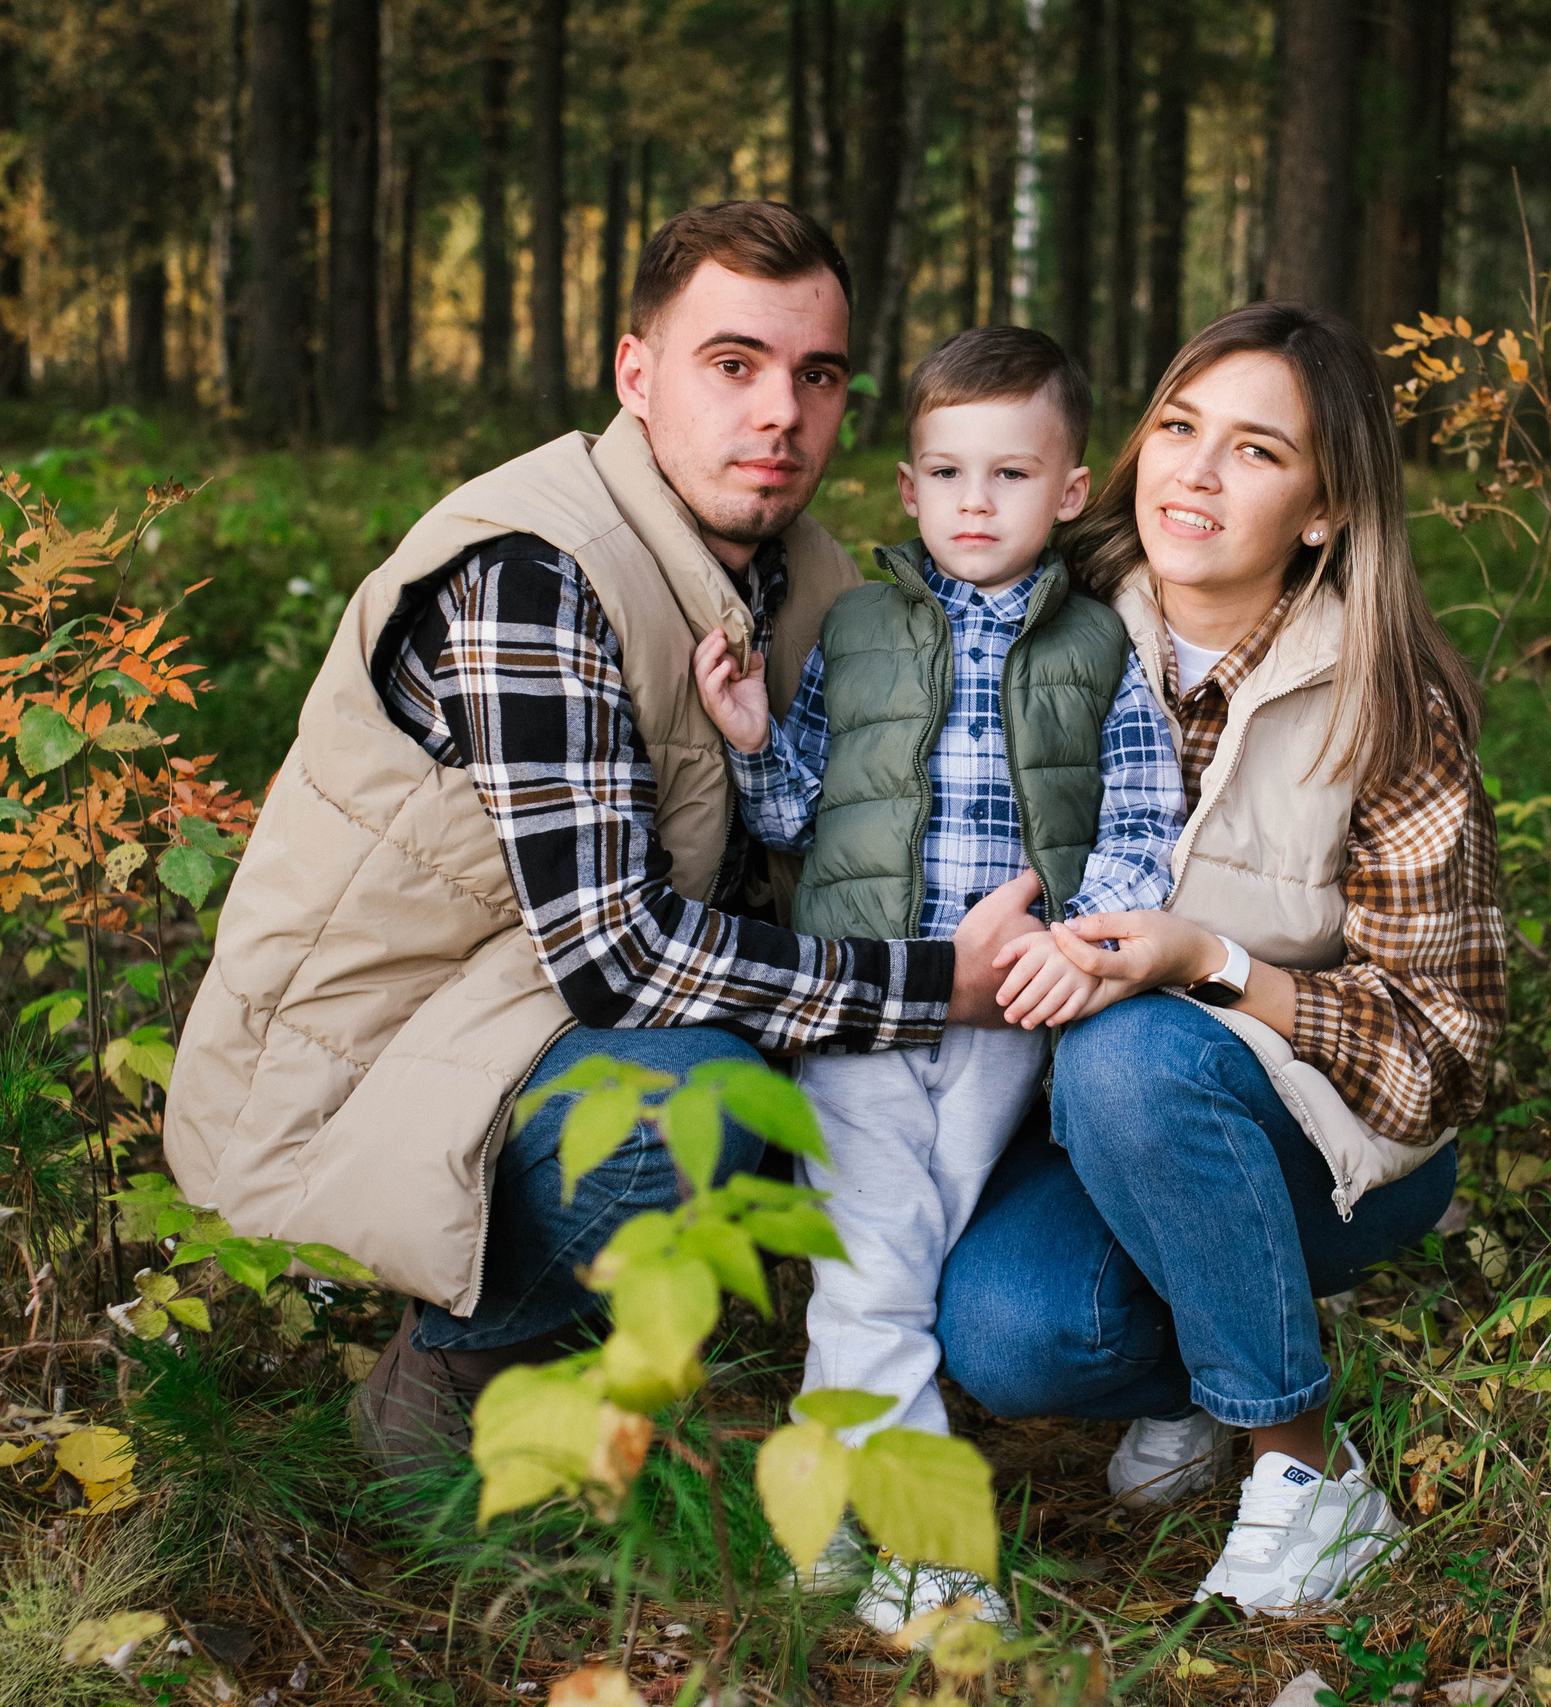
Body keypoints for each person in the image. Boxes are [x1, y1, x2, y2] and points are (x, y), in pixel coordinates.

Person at [161, 203, 1049, 1480]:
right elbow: (620, 965)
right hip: (361, 1079)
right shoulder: (535, 571)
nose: (780, 415)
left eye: (817, 376)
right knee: (682, 1102)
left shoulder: (815, 579)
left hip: (520, 1025)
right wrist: (937, 987)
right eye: (731, 365)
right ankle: (441, 1388)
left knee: (793, 1055)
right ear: (636, 375)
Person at [938, 302, 1509, 1615]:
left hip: (1326, 1133)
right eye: (1179, 428)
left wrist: (1211, 960)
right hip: (1071, 1120)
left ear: (1322, 508)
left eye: (1255, 451)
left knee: (1137, 1052)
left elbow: (1449, 1051)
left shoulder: (1382, 702)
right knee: (1015, 1332)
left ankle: (1304, 1468)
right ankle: (1208, 1358)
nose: (1192, 473)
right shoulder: (1032, 627)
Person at [692, 327, 1184, 1631]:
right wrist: (751, 739)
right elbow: (801, 812)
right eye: (950, 472)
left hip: (1008, 1019)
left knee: (898, 1263)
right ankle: (928, 1557)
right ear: (906, 488)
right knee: (878, 1271)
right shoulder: (855, 629)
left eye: (1012, 474)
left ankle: (821, 1486)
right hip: (861, 1006)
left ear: (1071, 488)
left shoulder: (1098, 647)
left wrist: (1083, 938)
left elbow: (1144, 812)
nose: (978, 501)